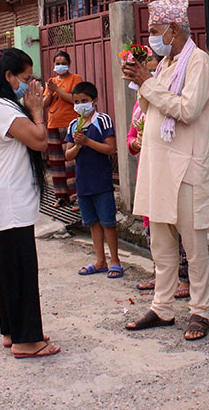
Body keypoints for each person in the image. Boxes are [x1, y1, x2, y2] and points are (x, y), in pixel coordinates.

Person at [121, 0, 209, 341]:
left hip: (187, 166)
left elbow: (187, 110)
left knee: (193, 244)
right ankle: (162, 307)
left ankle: (200, 311)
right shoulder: (164, 65)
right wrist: (140, 79)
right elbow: (149, 107)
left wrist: (147, 82)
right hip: (159, 165)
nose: (151, 38)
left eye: (155, 31)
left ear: (174, 30)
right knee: (161, 244)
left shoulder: (198, 62)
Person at [0, 48, 60, 359]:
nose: (31, 85)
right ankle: (27, 341)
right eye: (26, 79)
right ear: (8, 77)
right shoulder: (0, 108)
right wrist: (37, 111)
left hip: (4, 200)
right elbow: (39, 140)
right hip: (9, 202)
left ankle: (13, 331)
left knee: (8, 269)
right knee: (21, 269)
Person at [127, 55, 191, 299]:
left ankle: (184, 278)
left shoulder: (172, 100)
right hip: (148, 171)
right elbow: (130, 138)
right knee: (153, 230)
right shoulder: (139, 104)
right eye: (146, 72)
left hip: (170, 170)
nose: (149, 77)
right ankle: (161, 275)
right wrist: (136, 142)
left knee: (178, 227)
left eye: (154, 72)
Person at [65, 81, 122, 279]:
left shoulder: (103, 121)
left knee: (108, 222)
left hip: (101, 182)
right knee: (92, 222)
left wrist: (87, 142)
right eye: (77, 102)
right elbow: (68, 155)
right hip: (83, 182)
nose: (81, 105)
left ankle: (115, 260)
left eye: (85, 101)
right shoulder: (73, 125)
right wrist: (78, 145)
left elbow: (111, 149)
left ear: (95, 101)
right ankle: (100, 260)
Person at [42, 51, 82, 211]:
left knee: (70, 162)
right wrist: (50, 91)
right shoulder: (51, 82)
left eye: (63, 62)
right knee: (56, 162)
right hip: (53, 124)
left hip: (69, 124)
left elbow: (75, 99)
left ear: (69, 63)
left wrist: (57, 90)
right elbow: (45, 104)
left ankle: (75, 196)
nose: (60, 65)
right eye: (57, 63)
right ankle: (61, 196)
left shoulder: (75, 79)